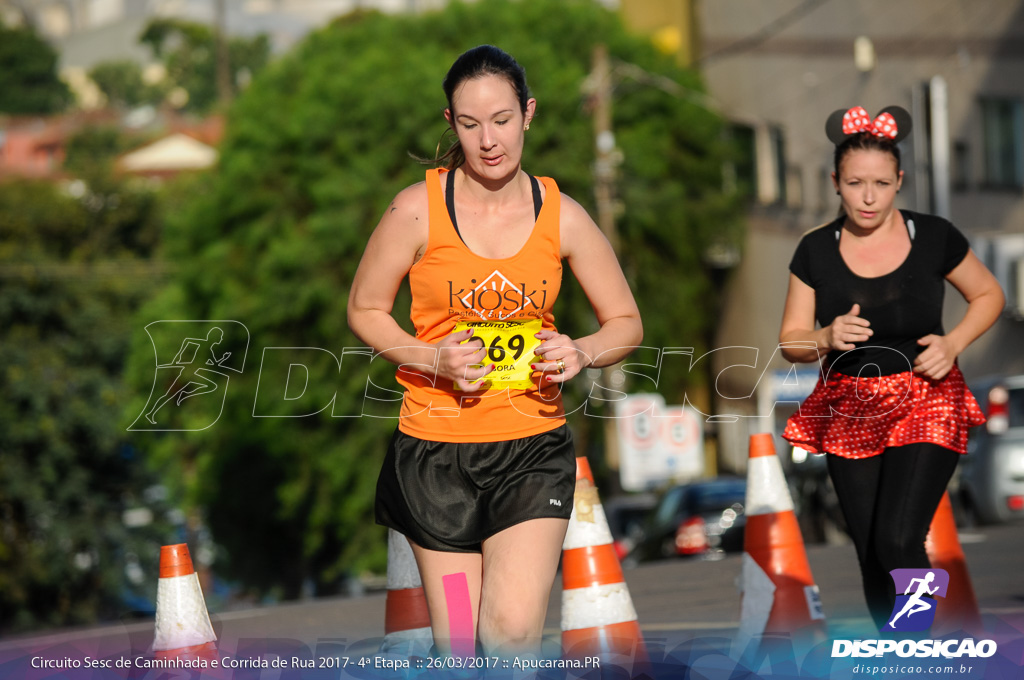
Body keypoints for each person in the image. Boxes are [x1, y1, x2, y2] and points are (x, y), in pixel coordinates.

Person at [346, 45, 642, 657]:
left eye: (502, 120)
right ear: (450, 122)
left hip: (532, 452)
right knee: (460, 649)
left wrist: (583, 351)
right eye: (470, 122)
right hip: (435, 458)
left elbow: (625, 322)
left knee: (509, 636)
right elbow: (364, 309)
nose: (488, 140)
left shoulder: (562, 214)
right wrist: (431, 358)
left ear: (528, 114)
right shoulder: (416, 209)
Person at [778, 105, 1004, 629]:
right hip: (848, 406)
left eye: (881, 182)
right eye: (855, 183)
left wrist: (953, 343)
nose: (869, 196)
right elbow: (790, 341)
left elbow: (989, 293)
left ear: (900, 181)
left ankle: (919, 640)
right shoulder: (814, 250)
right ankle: (898, 651)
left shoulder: (935, 237)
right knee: (871, 553)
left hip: (926, 398)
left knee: (898, 539)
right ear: (835, 183)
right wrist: (825, 335)